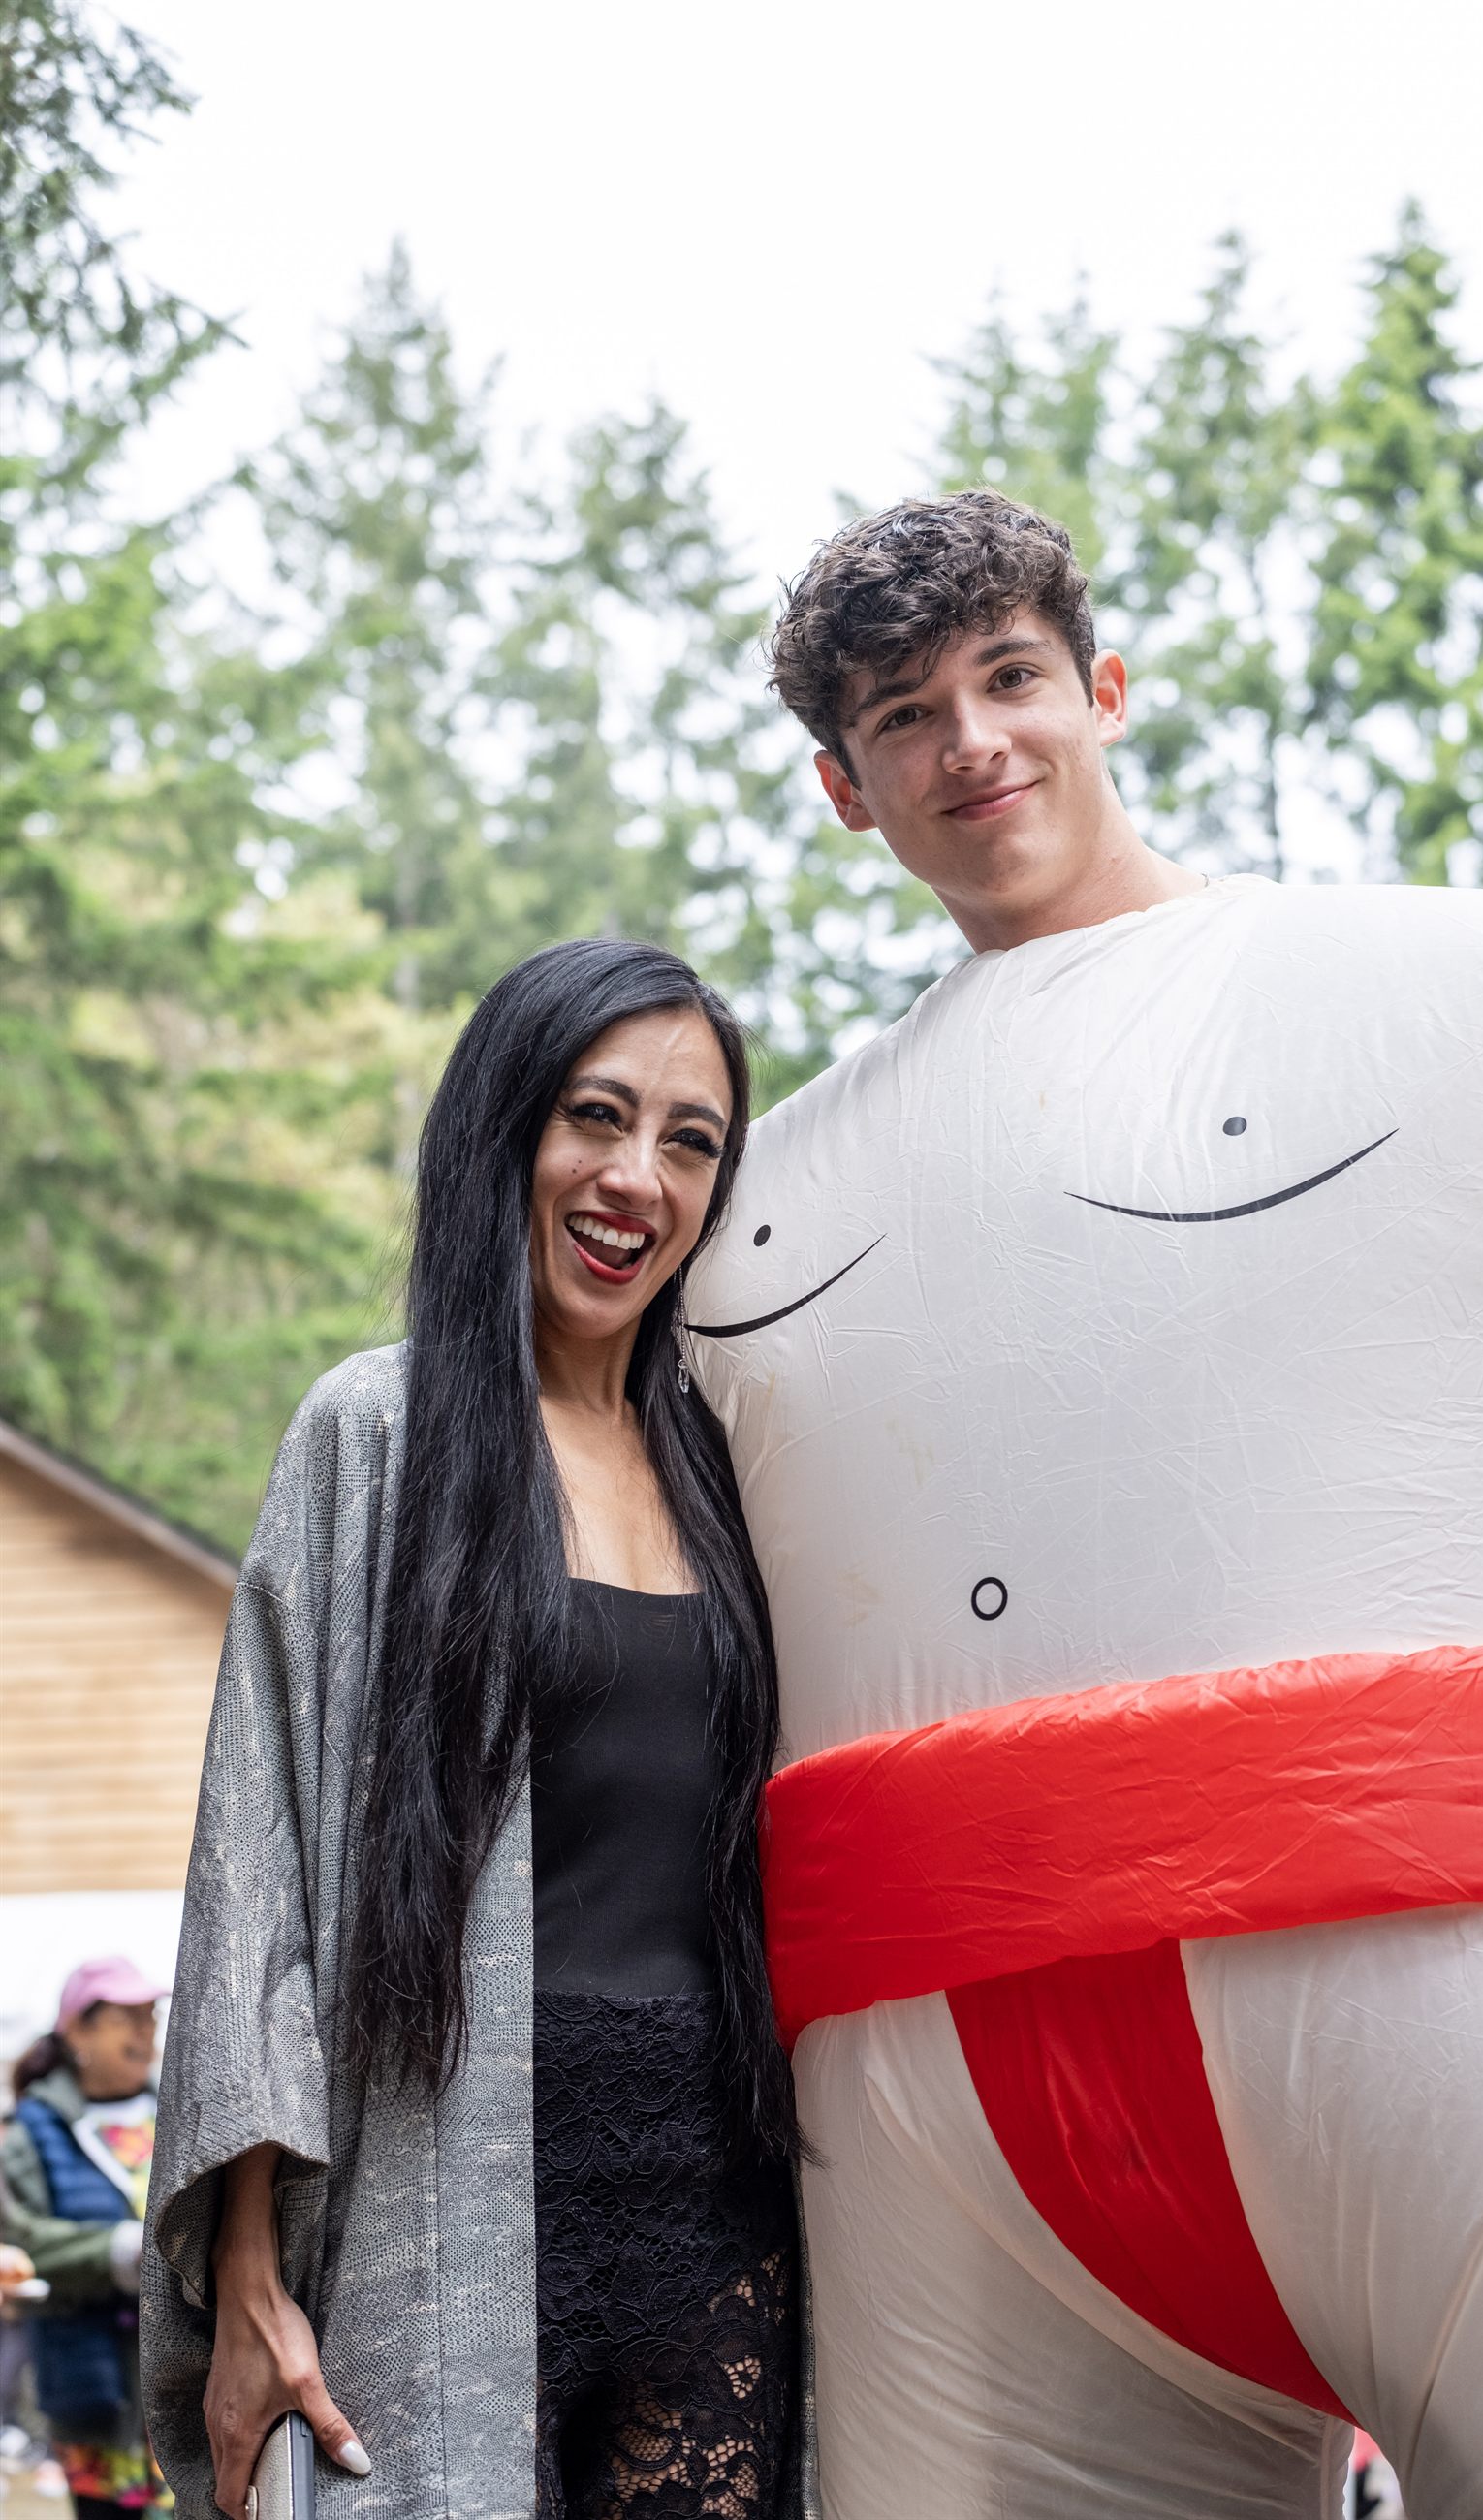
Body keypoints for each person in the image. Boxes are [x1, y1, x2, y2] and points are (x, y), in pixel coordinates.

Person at [679, 490, 1483, 2518]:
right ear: (842, 790)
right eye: (902, 715)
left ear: (1099, 688)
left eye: (1007, 679)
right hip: (944, 2131)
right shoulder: (730, 1211)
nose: (970, 741)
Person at [143, 940, 814, 2520]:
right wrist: (248, 2269)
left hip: (713, 2205)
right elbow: (263, 1877)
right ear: (502, 1131)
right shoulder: (372, 1435)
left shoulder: (730, 1470)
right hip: (446, 2194)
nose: (634, 1178)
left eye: (691, 1141)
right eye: (595, 1115)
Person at [1, 1958, 170, 2517]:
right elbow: (21, 2240)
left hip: (179, 2379)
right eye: (126, 2017)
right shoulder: (33, 2130)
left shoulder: (177, 2111)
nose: (146, 2028)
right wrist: (119, 2251)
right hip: (91, 2380)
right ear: (78, 2030)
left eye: (149, 2014)